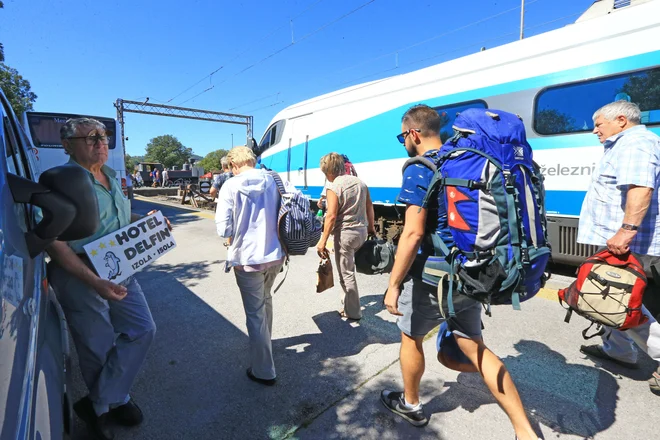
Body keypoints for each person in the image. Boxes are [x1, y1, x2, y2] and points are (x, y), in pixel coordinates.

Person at [380, 105, 541, 440]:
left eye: (402, 136)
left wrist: (393, 284)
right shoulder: (461, 158)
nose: (404, 143)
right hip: (472, 270)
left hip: (433, 276)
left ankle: (411, 405)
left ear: (413, 134)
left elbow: (412, 234)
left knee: (410, 337)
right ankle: (524, 431)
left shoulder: (420, 166)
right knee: (474, 346)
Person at [46, 118, 167, 440]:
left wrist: (150, 222)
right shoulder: (62, 181)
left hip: (119, 265)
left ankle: (98, 400)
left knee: (142, 329)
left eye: (103, 137)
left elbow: (120, 219)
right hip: (79, 270)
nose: (101, 143)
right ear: (67, 145)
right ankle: (110, 406)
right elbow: (53, 241)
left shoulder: (112, 176)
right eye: (91, 138)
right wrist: (93, 281)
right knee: (96, 345)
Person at [576, 100, 660, 396]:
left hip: (630, 242)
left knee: (624, 301)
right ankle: (619, 351)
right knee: (610, 296)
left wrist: (626, 231)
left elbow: (640, 188)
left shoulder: (635, 144)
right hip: (623, 239)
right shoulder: (627, 144)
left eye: (598, 124)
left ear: (621, 120)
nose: (594, 130)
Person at [215, 146, 286, 386]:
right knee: (266, 299)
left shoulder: (230, 186)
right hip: (275, 255)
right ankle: (266, 343)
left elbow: (223, 229)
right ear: (252, 161)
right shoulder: (275, 179)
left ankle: (264, 370)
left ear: (234, 165)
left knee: (254, 313)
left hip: (247, 260)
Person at [316, 152, 375, 320]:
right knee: (348, 271)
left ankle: (353, 312)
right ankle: (346, 304)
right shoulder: (360, 183)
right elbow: (369, 206)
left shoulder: (333, 187)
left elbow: (331, 216)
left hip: (345, 235)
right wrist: (371, 228)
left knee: (346, 274)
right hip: (361, 231)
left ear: (328, 170)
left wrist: (323, 240)